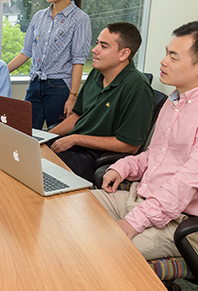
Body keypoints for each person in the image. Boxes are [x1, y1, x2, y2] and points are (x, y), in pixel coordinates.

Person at [96, 20, 198, 260]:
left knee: (103, 250)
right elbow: (156, 154)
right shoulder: (175, 100)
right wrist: (122, 168)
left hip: (184, 224)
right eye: (166, 53)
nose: (163, 61)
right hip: (143, 199)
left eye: (173, 57)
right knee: (71, 212)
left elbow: (187, 183)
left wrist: (133, 223)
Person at [47, 22, 154, 182]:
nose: (94, 50)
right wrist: (44, 137)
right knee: (29, 151)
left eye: (103, 46)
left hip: (94, 156)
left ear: (124, 54)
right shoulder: (97, 73)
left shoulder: (137, 87)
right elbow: (78, 116)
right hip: (75, 144)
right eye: (97, 43)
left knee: (41, 165)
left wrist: (75, 138)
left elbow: (130, 146)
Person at [7, 0, 91, 129]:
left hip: (59, 87)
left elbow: (78, 61)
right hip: (35, 84)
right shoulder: (39, 16)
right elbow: (26, 52)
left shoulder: (80, 19)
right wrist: (0, 70)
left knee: (55, 139)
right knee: (25, 134)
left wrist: (72, 96)